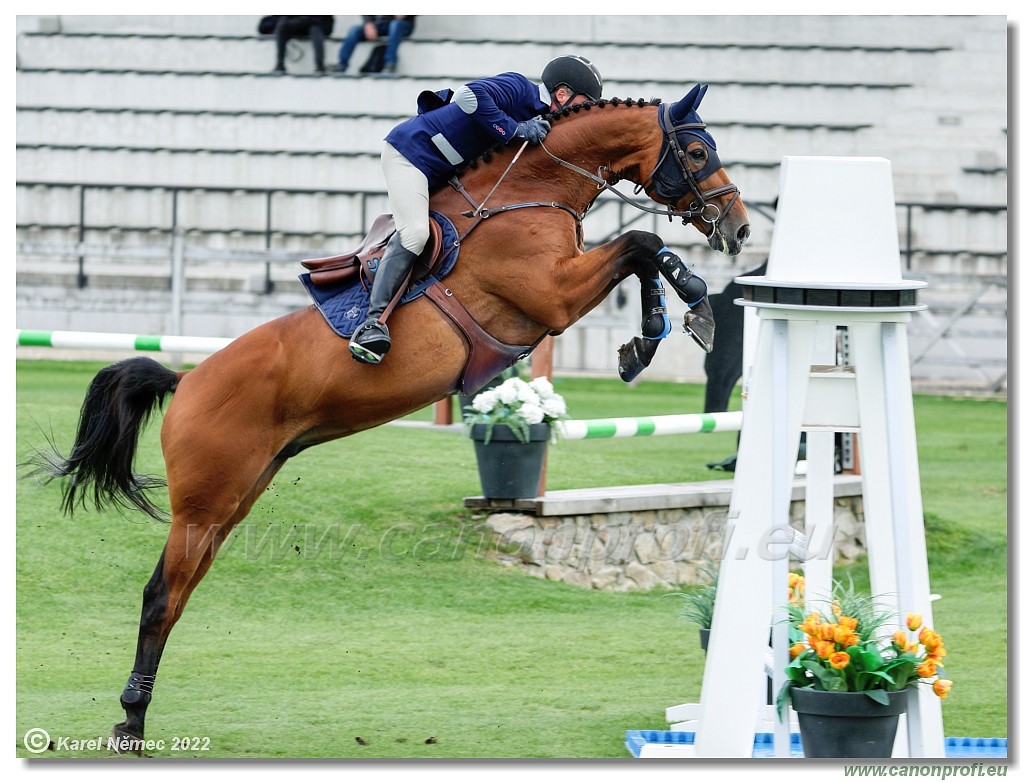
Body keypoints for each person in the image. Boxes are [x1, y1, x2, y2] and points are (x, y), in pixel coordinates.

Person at [348, 55, 603, 365]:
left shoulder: (542, 121)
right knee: (415, 233)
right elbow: (468, 96)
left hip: (445, 174)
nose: (580, 111)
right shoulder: (521, 88)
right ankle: (372, 324)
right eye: (582, 102)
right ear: (562, 94)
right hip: (412, 155)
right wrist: (514, 129)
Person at [335, 15, 416, 75]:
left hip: (401, 24)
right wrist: (368, 24)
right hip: (379, 25)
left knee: (396, 24)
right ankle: (342, 64)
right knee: (354, 30)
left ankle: (390, 63)